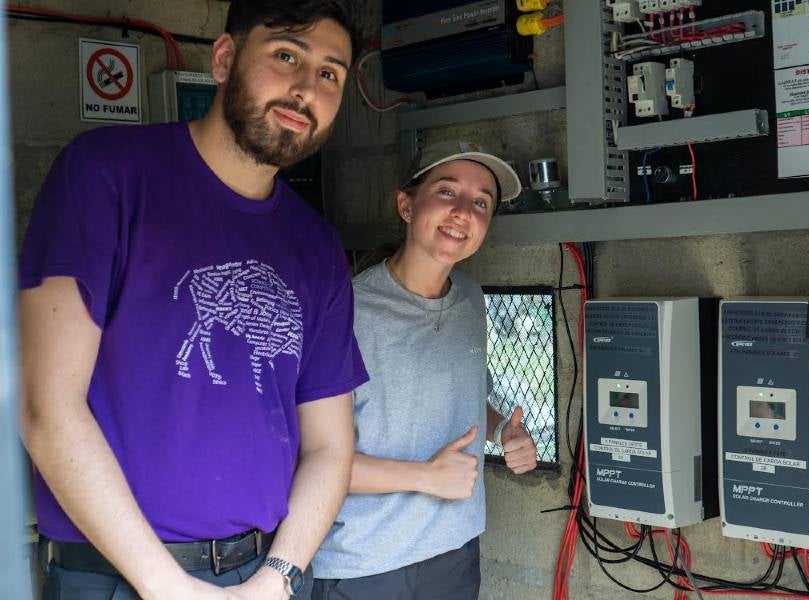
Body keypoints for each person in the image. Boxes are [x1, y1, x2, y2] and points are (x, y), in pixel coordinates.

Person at [17, 2, 368, 598]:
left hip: (264, 571)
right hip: (115, 576)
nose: (305, 88)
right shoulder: (105, 174)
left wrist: (277, 580)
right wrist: (166, 586)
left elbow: (331, 445)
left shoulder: (316, 246)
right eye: (287, 55)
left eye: (329, 74)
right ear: (226, 59)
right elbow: (46, 408)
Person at [311, 141, 539, 600]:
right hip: (366, 563)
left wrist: (503, 433)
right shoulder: (345, 312)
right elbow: (311, 460)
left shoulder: (470, 300)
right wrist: (423, 477)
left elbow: (470, 401)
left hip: (453, 551)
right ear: (406, 205)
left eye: (480, 202)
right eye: (447, 191)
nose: (463, 212)